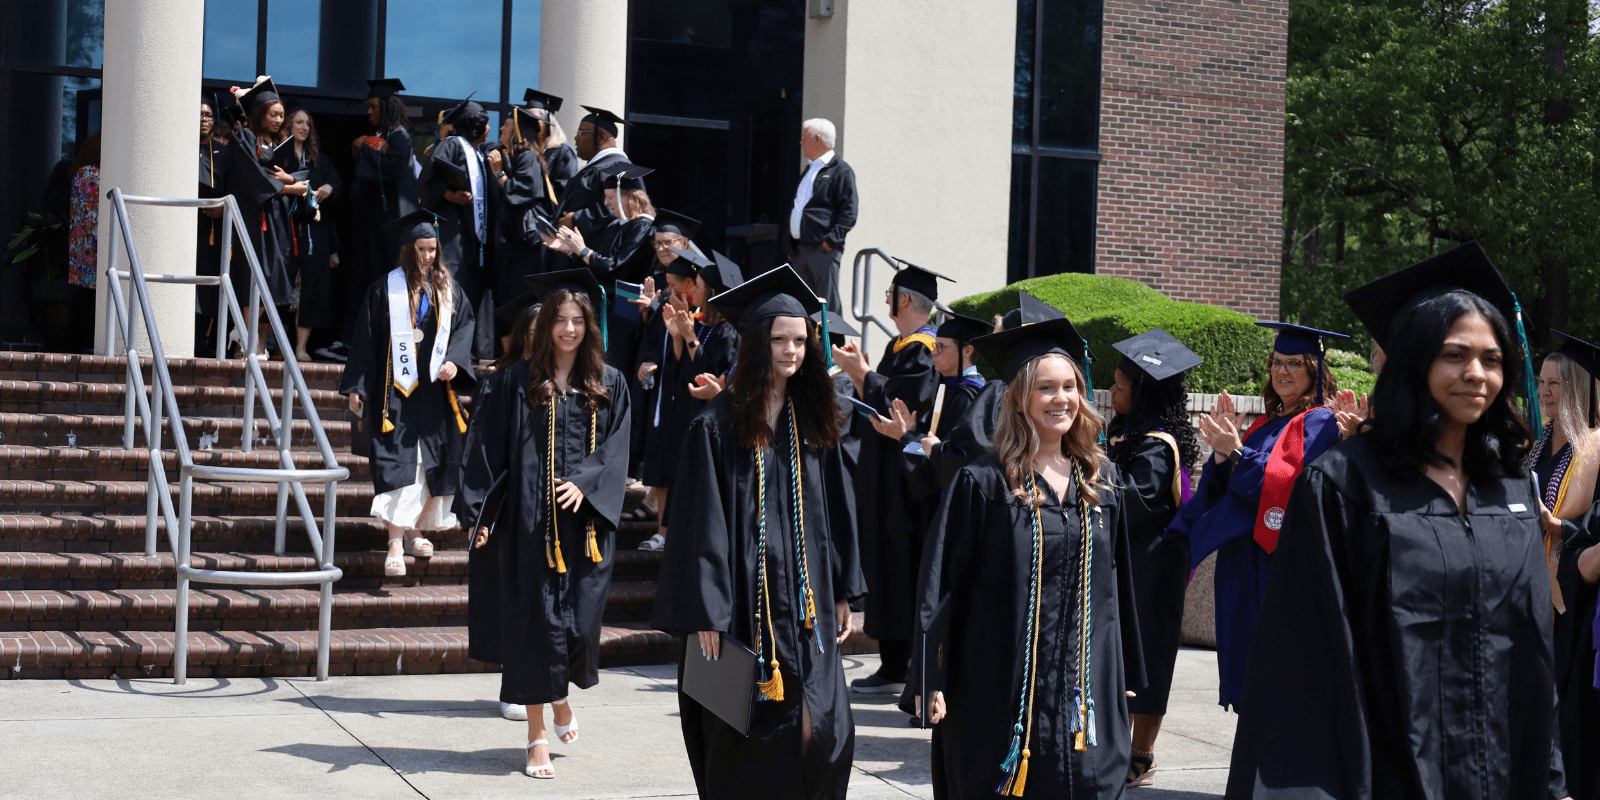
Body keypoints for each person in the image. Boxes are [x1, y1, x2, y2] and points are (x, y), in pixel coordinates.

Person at [1225, 242, 1569, 799]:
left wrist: (1553, 782)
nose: (1476, 374)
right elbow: (1304, 663)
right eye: (1454, 355)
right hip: (1385, 774)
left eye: (1493, 359)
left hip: (1502, 774)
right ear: (1413, 360)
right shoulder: (1346, 484)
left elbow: (1531, 658)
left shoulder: (1510, 489)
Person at [652, 265, 864, 800]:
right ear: (756, 343)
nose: (791, 350)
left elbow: (836, 512)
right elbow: (700, 523)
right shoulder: (717, 426)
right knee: (736, 735)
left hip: (806, 603)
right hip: (737, 608)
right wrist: (706, 611)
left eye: (800, 340)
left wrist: (840, 586)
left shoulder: (814, 423)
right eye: (779, 339)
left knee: (825, 731)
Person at [913, 315, 1144, 799]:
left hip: (1083, 687)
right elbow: (943, 583)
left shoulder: (1101, 482)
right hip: (997, 682)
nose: (1061, 399)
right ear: (1019, 397)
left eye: (1070, 387)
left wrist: (1120, 670)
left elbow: (1116, 584)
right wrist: (929, 677)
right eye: (1046, 388)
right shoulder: (983, 482)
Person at [456, 268, 632, 779]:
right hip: (529, 526)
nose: (569, 330)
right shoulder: (515, 382)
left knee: (577, 628)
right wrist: (483, 514)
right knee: (533, 627)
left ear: (589, 327)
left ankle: (559, 699)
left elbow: (618, 446)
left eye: (578, 321)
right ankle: (535, 736)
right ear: (546, 325)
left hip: (586, 530)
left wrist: (588, 481)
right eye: (561, 320)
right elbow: (487, 450)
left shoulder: (608, 383)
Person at [1164, 320, 1345, 711]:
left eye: (1294, 364)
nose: (1282, 371)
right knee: (1245, 660)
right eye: (1276, 362)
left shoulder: (1319, 422)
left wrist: (1238, 452)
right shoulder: (1265, 424)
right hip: (1242, 558)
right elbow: (1229, 484)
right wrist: (1220, 451)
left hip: (1277, 559)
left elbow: (1292, 484)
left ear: (1315, 370)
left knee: (1273, 669)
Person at [340, 209, 476, 579]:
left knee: (427, 462)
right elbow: (366, 341)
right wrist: (357, 386)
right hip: (394, 394)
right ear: (406, 249)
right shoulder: (386, 289)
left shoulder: (448, 289)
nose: (428, 256)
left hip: (433, 393)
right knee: (398, 462)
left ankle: (415, 530)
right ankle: (395, 543)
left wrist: (454, 361)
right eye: (421, 249)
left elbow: (464, 330)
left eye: (433, 249)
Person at [831, 263, 947, 695]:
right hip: (886, 476)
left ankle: (900, 663)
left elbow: (904, 408)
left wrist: (862, 375)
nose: (885, 301)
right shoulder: (903, 346)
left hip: (906, 483)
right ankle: (894, 662)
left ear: (903, 300)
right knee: (887, 563)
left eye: (889, 294)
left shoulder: (924, 349)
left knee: (902, 566)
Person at [1103, 329, 1204, 788]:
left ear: (1142, 391)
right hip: (1129, 562)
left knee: (1149, 658)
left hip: (1155, 565)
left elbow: (1135, 504)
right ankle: (1112, 746)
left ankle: (1140, 753)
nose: (1112, 391)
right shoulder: (1125, 431)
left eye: (1120, 387)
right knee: (1121, 654)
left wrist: (1094, 467)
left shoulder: (1158, 444)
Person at [634, 248, 743, 553]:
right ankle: (664, 532)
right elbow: (684, 368)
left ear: (712, 292)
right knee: (672, 468)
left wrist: (690, 337)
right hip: (684, 408)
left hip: (709, 413)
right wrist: (678, 337)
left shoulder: (728, 331)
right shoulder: (702, 324)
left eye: (697, 286)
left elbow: (712, 373)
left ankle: (681, 534)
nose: (692, 290)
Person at [920, 292, 1066, 491]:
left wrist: (936, 450)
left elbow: (971, 456)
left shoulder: (999, 392)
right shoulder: (1070, 401)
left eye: (997, 337)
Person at [1540, 332, 1600, 799]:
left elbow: (1588, 524)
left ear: (1578, 387)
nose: (1545, 391)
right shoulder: (1537, 441)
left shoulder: (1592, 446)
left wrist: (1554, 527)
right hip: (1531, 580)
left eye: (1556, 383)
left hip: (1572, 593)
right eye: (1542, 382)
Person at [329, 78, 420, 362]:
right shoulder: (387, 136)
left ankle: (376, 343)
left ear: (386, 107)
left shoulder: (400, 136)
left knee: (383, 280)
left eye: (372, 106)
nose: (368, 112)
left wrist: (366, 141)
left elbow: (391, 165)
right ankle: (351, 340)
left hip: (389, 228)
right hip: (372, 227)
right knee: (362, 280)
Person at [542, 162, 658, 376]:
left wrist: (583, 249)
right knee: (599, 361)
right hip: (607, 303)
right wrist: (571, 251)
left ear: (628, 197)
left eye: (611, 197)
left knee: (616, 362)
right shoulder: (618, 226)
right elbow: (599, 267)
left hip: (625, 302)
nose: (607, 203)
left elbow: (616, 267)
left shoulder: (643, 226)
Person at [225, 78, 308, 351]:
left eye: (282, 115)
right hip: (253, 218)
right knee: (254, 276)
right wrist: (291, 188)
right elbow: (256, 181)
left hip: (273, 220)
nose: (279, 119)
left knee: (272, 279)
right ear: (260, 113)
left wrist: (289, 179)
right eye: (274, 114)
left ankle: (245, 334)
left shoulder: (273, 144)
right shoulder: (244, 138)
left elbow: (281, 177)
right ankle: (246, 339)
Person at [423, 94, 500, 361]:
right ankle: (436, 352)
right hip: (453, 235)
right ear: (475, 125)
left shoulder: (477, 154)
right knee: (448, 292)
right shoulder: (452, 144)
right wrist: (448, 195)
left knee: (467, 298)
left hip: (473, 241)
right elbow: (427, 179)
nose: (490, 128)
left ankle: (458, 357)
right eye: (487, 123)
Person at [276, 108, 343, 361]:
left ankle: (300, 348)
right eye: (299, 122)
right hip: (287, 229)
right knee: (283, 289)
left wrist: (329, 186)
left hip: (314, 234)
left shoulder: (320, 160)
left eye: (308, 123)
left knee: (310, 291)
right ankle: (276, 346)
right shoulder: (280, 156)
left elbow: (338, 187)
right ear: (289, 126)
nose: (304, 127)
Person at [489, 104, 554, 350]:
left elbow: (522, 191)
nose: (501, 130)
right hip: (516, 247)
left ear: (517, 131)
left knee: (519, 300)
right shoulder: (518, 155)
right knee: (508, 300)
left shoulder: (528, 156)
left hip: (527, 247)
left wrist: (499, 174)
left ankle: (522, 355)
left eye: (506, 126)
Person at [782, 118, 857, 312]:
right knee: (801, 306)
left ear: (817, 139)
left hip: (822, 251)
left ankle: (831, 343)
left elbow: (849, 211)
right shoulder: (809, 169)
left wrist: (830, 242)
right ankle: (807, 343)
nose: (800, 142)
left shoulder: (841, 171)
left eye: (804, 136)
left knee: (827, 307)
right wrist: (791, 245)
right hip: (801, 251)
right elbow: (797, 207)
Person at [554, 106, 634, 245]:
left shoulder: (619, 166)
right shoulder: (595, 167)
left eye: (581, 132)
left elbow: (620, 207)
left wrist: (576, 219)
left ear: (601, 137)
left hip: (598, 253)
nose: (576, 137)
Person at [197, 96, 230, 351]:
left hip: (213, 230)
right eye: (199, 115)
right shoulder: (181, 150)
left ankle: (204, 339)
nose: (204, 119)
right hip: (186, 228)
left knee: (210, 284)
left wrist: (223, 209)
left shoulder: (223, 153)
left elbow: (234, 189)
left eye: (208, 115)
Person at [524, 89, 577, 201]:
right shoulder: (523, 150)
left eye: (534, 118)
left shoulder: (563, 152)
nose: (529, 122)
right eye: (525, 118)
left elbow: (564, 191)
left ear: (547, 121)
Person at [67, 133, 101, 290]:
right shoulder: (89, 174)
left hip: (88, 268)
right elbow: (95, 223)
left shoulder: (86, 173)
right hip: (92, 267)